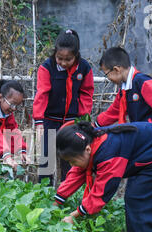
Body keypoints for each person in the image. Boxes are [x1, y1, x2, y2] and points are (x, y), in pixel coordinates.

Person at [33, 29, 94, 184]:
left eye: (69, 59)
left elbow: (86, 93)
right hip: (50, 120)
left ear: (76, 56)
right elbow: (42, 93)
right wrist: (39, 121)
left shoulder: (84, 68)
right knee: (47, 159)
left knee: (70, 159)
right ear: (55, 54)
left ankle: (66, 194)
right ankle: (43, 193)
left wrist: (83, 117)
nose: (64, 63)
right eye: (60, 58)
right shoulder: (47, 67)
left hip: (72, 122)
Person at [95, 47, 152, 136]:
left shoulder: (141, 82)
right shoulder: (124, 90)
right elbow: (113, 112)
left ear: (116, 70)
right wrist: (95, 126)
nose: (108, 78)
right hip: (144, 133)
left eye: (107, 74)